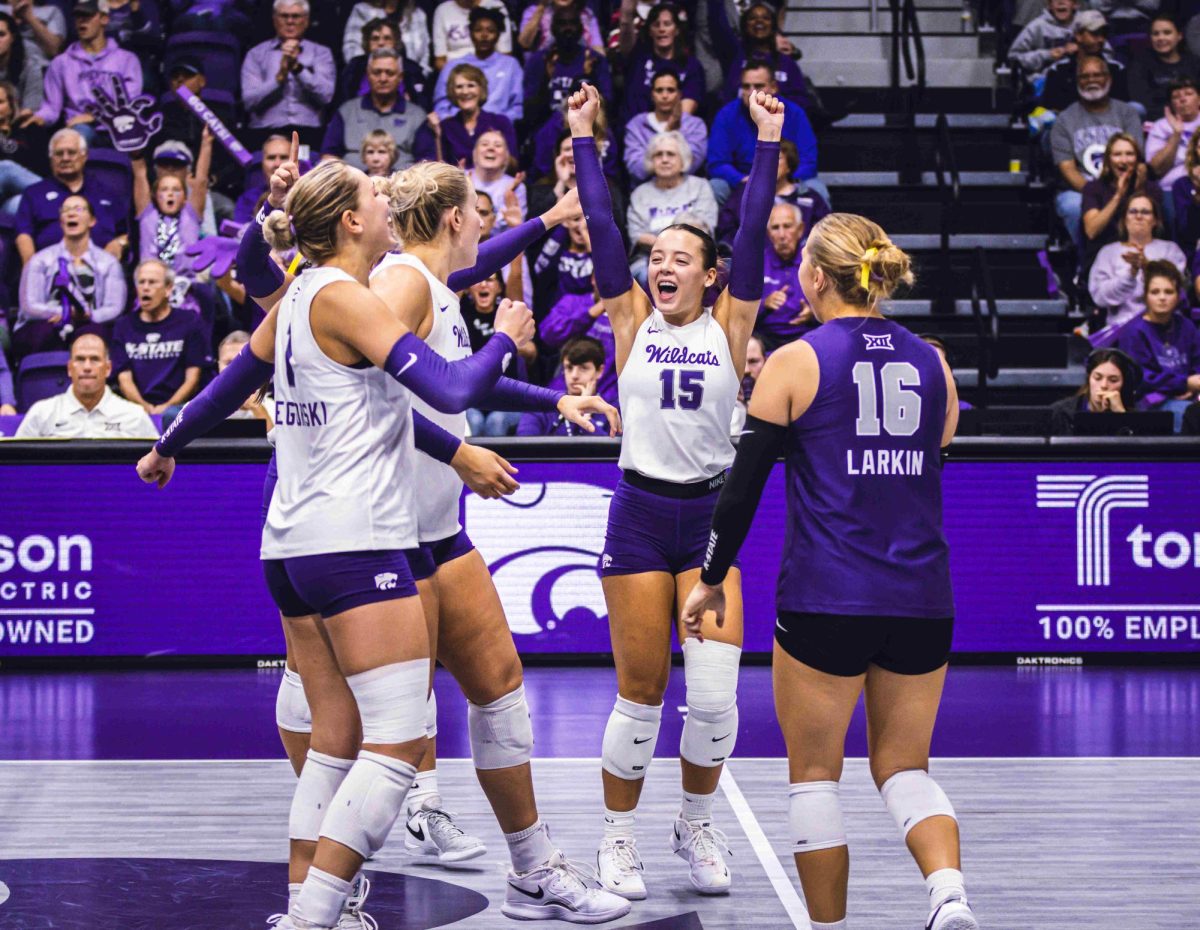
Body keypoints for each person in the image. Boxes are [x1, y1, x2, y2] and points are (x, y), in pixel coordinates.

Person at [135, 156, 571, 930]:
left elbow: (229, 389)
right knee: (398, 748)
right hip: (357, 545)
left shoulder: (298, 295)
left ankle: (305, 905)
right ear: (350, 222)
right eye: (376, 196)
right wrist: (504, 339)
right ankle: (315, 917)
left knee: (333, 744)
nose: (387, 201)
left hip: (289, 552)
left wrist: (169, 442)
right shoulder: (343, 296)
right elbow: (455, 391)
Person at [680, 212, 977, 930]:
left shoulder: (796, 361)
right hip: (921, 595)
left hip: (827, 594)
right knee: (905, 768)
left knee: (815, 775)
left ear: (814, 276)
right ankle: (948, 893)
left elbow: (741, 489)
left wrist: (711, 576)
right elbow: (936, 453)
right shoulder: (934, 363)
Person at [368, 159, 629, 922]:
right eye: (478, 214)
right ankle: (333, 889)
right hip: (386, 538)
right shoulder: (398, 286)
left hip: (440, 532)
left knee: (502, 688)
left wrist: (558, 397)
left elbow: (463, 379)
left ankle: (532, 867)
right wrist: (461, 446)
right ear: (454, 220)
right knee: (380, 733)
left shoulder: (435, 287)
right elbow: (380, 407)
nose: (484, 227)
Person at [571, 80, 782, 900]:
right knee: (642, 694)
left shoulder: (732, 325)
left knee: (719, 700)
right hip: (640, 512)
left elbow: (756, 226)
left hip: (710, 520)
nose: (662, 265)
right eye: (655, 256)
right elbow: (597, 224)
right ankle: (616, 840)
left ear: (710, 274)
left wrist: (766, 142)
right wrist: (585, 134)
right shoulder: (630, 321)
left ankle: (695, 823)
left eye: (679, 258)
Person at [13, 193, 127, 360]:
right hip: (47, 323)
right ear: (61, 222)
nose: (71, 214)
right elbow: (29, 307)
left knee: (93, 335)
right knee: (45, 332)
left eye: (78, 209)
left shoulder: (108, 263)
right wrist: (66, 312)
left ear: (92, 221)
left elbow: (114, 308)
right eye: (66, 210)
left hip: (91, 322)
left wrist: (88, 315)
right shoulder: (40, 260)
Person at [1049, 54, 1143, 251]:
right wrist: (1099, 194)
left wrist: (1122, 191)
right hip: (1081, 189)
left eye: (1097, 75)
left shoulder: (1127, 113)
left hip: (1126, 184)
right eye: (1085, 76)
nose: (1091, 80)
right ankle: (1084, 264)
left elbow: (1140, 162)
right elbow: (1068, 169)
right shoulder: (1065, 119)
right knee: (1072, 207)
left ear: (1108, 78)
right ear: (1077, 81)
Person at [24, 0, 143, 146]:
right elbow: (52, 107)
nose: (81, 21)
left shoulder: (127, 59)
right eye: (78, 16)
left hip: (119, 126)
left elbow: (129, 102)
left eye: (87, 16)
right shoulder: (61, 63)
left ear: (104, 19)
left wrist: (94, 116)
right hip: (79, 127)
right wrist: (40, 118)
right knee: (78, 135)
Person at [709, 61, 822, 205]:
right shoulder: (726, 115)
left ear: (773, 87)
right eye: (746, 86)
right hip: (744, 182)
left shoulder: (795, 114)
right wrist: (743, 180)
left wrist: (786, 181)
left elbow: (809, 161)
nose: (751, 93)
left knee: (816, 188)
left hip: (788, 180)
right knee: (716, 187)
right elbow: (718, 163)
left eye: (758, 86)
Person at [111, 259, 208, 421]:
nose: (145, 287)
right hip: (134, 408)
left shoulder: (189, 322)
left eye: (152, 282)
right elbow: (124, 379)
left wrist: (167, 408)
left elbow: (193, 378)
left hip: (179, 409)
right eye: (141, 282)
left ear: (168, 289)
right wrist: (144, 407)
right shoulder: (123, 326)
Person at [132, 128, 212, 315]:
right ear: (155, 195)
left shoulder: (190, 214)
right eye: (164, 190)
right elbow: (139, 172)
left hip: (185, 290)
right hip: (149, 287)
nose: (169, 193)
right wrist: (134, 149)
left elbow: (200, 181)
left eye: (176, 190)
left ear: (185, 197)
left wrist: (207, 143)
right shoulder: (147, 214)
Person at [16, 332, 157, 437]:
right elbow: (17, 468)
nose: (87, 367)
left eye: (95, 359)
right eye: (80, 359)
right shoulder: (41, 413)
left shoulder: (134, 416)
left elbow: (157, 469)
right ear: (70, 369)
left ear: (108, 369)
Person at [14, 128, 124, 262]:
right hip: (50, 269)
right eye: (59, 153)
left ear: (84, 156)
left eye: (71, 153)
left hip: (101, 268)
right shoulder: (33, 193)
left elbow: (126, 232)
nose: (65, 158)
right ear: (51, 158)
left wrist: (119, 243)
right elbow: (24, 234)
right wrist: (31, 269)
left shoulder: (106, 193)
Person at [627, 130, 718, 289]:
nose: (664, 159)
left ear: (683, 160)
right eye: (658, 155)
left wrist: (676, 248)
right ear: (651, 161)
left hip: (693, 255)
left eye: (671, 154)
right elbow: (637, 235)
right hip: (650, 258)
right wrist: (669, 248)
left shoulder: (699, 187)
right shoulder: (640, 194)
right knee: (644, 273)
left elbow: (704, 228)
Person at [1088, 193, 1187, 338]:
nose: (1139, 216)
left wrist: (1147, 267)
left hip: (1164, 329)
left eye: (1145, 212)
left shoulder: (1170, 250)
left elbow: (1179, 290)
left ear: (1155, 221)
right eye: (1133, 211)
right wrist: (1130, 274)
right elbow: (1100, 297)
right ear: (1124, 220)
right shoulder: (1108, 253)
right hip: (1121, 330)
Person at [1117, 259, 1200, 429]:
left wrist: (1194, 387)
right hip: (1150, 402)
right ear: (1146, 296)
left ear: (1178, 296)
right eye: (1155, 292)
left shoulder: (1187, 326)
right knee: (1190, 414)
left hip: (1190, 396)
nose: (1162, 298)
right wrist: (1184, 383)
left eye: (1168, 292)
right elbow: (1142, 379)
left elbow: (1197, 363)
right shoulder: (1134, 332)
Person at [240, 0, 334, 144]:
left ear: (306, 20)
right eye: (284, 16)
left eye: (296, 16)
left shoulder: (321, 53)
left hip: (309, 133)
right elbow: (249, 101)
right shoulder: (256, 54)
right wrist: (279, 78)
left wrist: (298, 69)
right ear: (274, 19)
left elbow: (326, 96)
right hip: (265, 133)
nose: (290, 21)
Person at [321, 48, 425, 170]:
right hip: (353, 184)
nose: (383, 78)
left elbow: (426, 161)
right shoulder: (347, 111)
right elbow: (328, 156)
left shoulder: (417, 115)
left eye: (389, 73)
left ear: (400, 77)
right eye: (377, 72)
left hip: (402, 185)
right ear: (368, 75)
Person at [717, 140, 830, 248]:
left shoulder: (809, 197)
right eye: (766, 159)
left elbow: (825, 232)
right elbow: (726, 230)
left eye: (778, 158)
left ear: (789, 165)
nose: (771, 164)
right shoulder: (744, 194)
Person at [522, 6, 612, 132]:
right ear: (552, 28)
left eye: (573, 23)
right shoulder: (539, 61)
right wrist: (545, 79)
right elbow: (529, 112)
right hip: (547, 130)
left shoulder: (595, 60)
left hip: (587, 128)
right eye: (562, 24)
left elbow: (606, 105)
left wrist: (587, 78)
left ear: (581, 28)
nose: (568, 28)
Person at [415, 62, 517, 167]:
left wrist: (500, 147)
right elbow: (441, 171)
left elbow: (514, 167)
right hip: (458, 182)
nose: (465, 91)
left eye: (471, 85)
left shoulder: (500, 122)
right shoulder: (446, 127)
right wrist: (437, 136)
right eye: (459, 87)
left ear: (481, 89)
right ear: (452, 91)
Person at [432, 7, 521, 122]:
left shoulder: (510, 65)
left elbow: (518, 107)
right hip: (459, 127)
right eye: (478, 30)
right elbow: (441, 105)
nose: (484, 35)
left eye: (491, 31)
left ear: (498, 35)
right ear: (470, 33)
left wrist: (500, 124)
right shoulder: (453, 66)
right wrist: (454, 125)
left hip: (497, 130)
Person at [719, 2, 812, 111]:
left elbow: (801, 101)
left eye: (766, 18)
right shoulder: (736, 58)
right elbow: (728, 97)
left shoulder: (786, 62)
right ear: (745, 26)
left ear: (773, 26)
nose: (759, 21)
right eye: (752, 18)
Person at [1080, 132, 1159, 254]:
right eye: (1117, 154)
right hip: (1102, 254)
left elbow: (1156, 231)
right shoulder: (1093, 188)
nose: (1123, 160)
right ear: (1108, 160)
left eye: (1129, 154)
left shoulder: (1150, 189)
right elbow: (1091, 230)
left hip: (1143, 252)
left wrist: (1139, 191)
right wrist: (1118, 196)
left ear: (1137, 159)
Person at [622, 3, 704, 118]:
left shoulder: (691, 66)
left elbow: (687, 109)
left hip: (674, 130)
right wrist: (626, 13)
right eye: (656, 25)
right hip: (637, 131)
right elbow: (625, 37)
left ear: (677, 30)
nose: (662, 29)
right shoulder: (638, 60)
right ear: (650, 31)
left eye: (667, 24)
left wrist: (663, 132)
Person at [624, 70, 708, 183]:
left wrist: (654, 163)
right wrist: (668, 131)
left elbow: (691, 164)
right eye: (659, 90)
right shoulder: (637, 125)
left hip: (686, 189)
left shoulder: (695, 125)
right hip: (646, 192)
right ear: (652, 95)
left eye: (670, 90)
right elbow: (636, 170)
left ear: (679, 94)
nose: (664, 95)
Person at [517, 336, 612, 435]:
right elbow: (524, 443)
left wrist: (584, 413)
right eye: (569, 368)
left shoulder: (612, 409)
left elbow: (614, 449)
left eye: (583, 368)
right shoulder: (542, 405)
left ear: (599, 371)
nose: (574, 376)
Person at [337, 17, 431, 113]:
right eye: (375, 39)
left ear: (395, 42)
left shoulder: (412, 70)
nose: (381, 43)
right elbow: (342, 106)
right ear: (367, 43)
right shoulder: (354, 68)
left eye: (387, 38)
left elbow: (422, 108)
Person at [1039, 11, 1128, 112]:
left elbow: (1122, 108)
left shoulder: (1116, 69)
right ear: (1078, 36)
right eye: (1095, 34)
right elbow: (1050, 110)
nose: (1101, 39)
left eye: (1103, 34)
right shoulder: (1059, 71)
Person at [757, 202, 815, 350]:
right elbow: (739, 313)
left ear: (800, 229)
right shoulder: (756, 264)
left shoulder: (815, 263)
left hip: (807, 336)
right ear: (768, 233)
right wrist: (764, 304)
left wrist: (814, 313)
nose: (782, 235)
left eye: (787, 226)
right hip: (765, 338)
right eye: (775, 228)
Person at [1048, 346, 1141, 432]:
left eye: (1113, 380)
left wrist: (1122, 416)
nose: (1104, 385)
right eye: (1097, 378)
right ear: (1089, 379)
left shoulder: (1135, 418)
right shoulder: (1060, 413)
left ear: (1124, 384)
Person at [1128, 15, 1200, 115]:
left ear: (1179, 36)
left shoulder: (1194, 63)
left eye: (1167, 33)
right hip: (1154, 119)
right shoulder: (1140, 64)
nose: (1160, 38)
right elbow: (1141, 100)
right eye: (1155, 34)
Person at [0, 78, 46, 217]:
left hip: (16, 197)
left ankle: (55, 199)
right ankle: (57, 196)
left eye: (0, 102)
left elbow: (42, 166)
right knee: (6, 167)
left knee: (21, 203)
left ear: (12, 105)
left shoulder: (29, 129)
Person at [1146, 77, 1200, 189]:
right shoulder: (1160, 127)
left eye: (1188, 94)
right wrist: (1176, 135)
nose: (1183, 99)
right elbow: (1156, 170)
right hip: (1170, 189)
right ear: (1171, 104)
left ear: (1199, 99)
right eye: (1176, 97)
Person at [465, 129, 524, 231]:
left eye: (498, 145)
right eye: (484, 144)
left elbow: (517, 231)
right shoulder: (460, 179)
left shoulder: (516, 186)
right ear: (474, 154)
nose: (491, 148)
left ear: (506, 157)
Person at [1007, 0, 1079, 80]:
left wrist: (1081, 48)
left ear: (1075, 4)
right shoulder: (1036, 26)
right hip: (1043, 83)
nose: (1060, 2)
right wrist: (1047, 55)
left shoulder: (1084, 23)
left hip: (1079, 80)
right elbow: (1014, 57)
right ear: (1049, 5)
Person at [431, 0, 512, 70]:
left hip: (491, 69)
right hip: (455, 73)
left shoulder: (496, 6)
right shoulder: (442, 10)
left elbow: (505, 55)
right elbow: (440, 61)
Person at [217, 329, 273, 424]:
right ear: (218, 365)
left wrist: (257, 409)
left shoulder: (273, 408)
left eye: (241, 362)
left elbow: (276, 438)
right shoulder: (196, 407)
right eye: (228, 363)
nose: (234, 369)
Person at [234, 135, 293, 224]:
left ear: (297, 163)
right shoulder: (247, 199)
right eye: (271, 158)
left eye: (284, 157)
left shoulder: (308, 195)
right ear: (262, 163)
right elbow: (240, 232)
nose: (277, 164)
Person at [518, 0, 604, 54]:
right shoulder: (533, 11)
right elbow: (524, 43)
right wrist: (541, 7)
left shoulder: (587, 14)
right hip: (542, 70)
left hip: (579, 68)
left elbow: (598, 50)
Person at [0, 0, 64, 72]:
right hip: (4, 68)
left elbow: (53, 50)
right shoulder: (1, 9)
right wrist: (11, 21)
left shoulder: (52, 12)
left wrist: (29, 17)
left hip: (39, 68)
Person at [0, 11, 40, 113]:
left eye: (1, 34)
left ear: (12, 37)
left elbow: (30, 110)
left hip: (18, 124)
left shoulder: (30, 67)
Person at [729, 331, 765, 434]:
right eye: (739, 362)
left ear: (765, 362)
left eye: (753, 361)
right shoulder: (716, 408)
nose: (746, 370)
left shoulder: (781, 405)